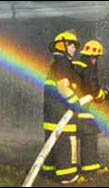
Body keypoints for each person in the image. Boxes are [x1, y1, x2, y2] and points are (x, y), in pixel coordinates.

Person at [42, 31, 83, 184]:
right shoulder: (63, 63)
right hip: (60, 113)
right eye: (71, 45)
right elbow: (63, 87)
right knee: (65, 143)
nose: (74, 48)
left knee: (52, 143)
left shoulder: (56, 63)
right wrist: (75, 103)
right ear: (62, 45)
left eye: (75, 46)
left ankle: (49, 172)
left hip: (52, 114)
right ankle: (67, 176)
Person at [72, 40, 109, 178]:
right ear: (94, 57)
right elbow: (92, 88)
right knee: (90, 132)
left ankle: (72, 165)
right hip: (79, 106)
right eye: (97, 58)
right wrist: (102, 95)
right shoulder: (88, 67)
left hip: (71, 104)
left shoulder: (76, 64)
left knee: (73, 136)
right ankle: (90, 167)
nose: (96, 60)